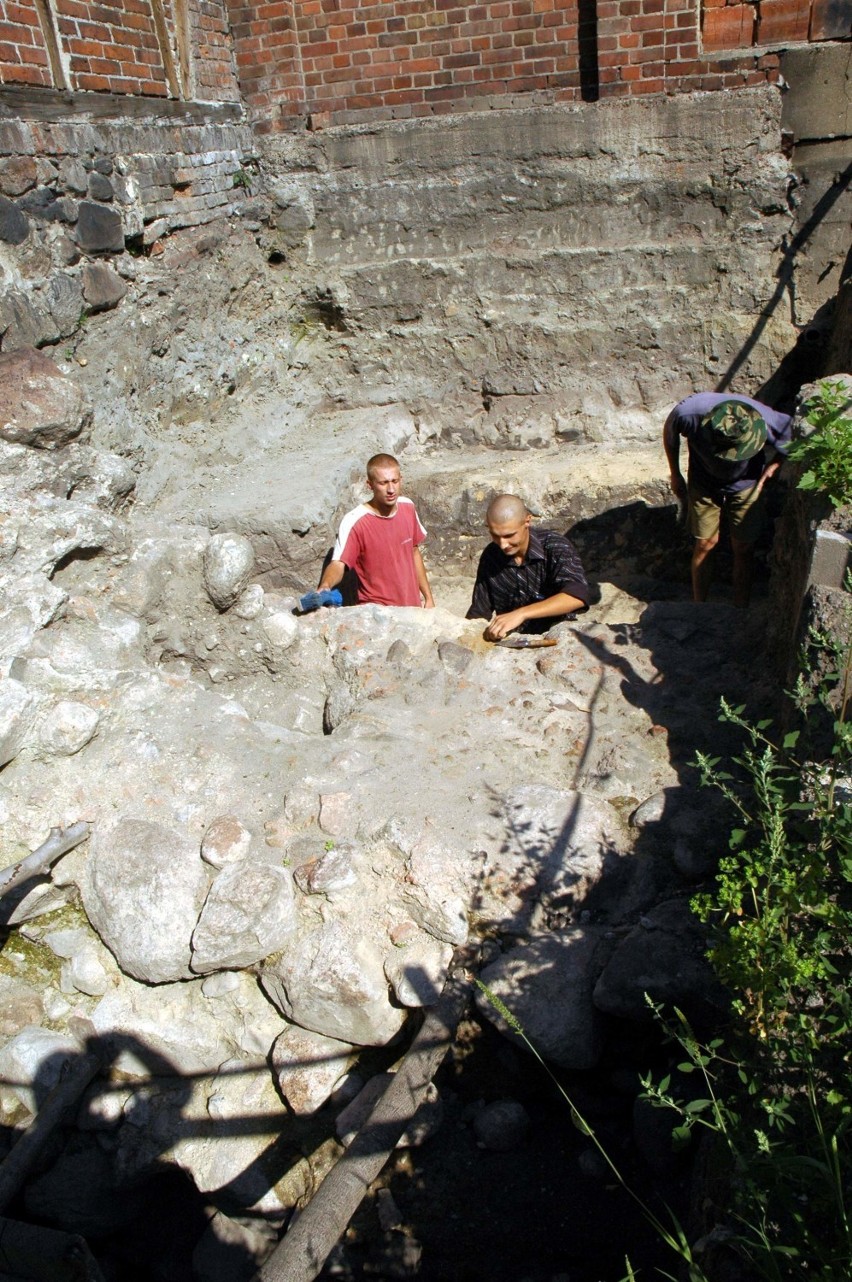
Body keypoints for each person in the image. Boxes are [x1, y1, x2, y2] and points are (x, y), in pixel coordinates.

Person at [663, 392, 792, 607]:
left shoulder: (766, 419)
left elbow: (797, 437)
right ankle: (698, 607)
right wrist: (675, 474)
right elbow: (670, 431)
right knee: (705, 543)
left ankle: (740, 608)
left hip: (747, 483)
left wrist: (774, 466)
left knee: (743, 547)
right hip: (704, 479)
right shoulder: (689, 413)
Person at [315, 453, 435, 608]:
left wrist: (428, 597)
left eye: (395, 481)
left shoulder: (408, 507)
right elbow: (339, 563)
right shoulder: (355, 521)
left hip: (412, 608)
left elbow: (414, 552)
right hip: (378, 615)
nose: (391, 489)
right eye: (383, 483)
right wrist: (325, 585)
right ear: (370, 485)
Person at [466, 494, 590, 640]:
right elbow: (479, 612)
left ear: (527, 521)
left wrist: (521, 614)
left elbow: (577, 596)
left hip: (555, 638)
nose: (502, 544)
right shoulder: (491, 555)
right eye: (495, 535)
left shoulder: (555, 547)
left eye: (509, 535)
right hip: (512, 642)